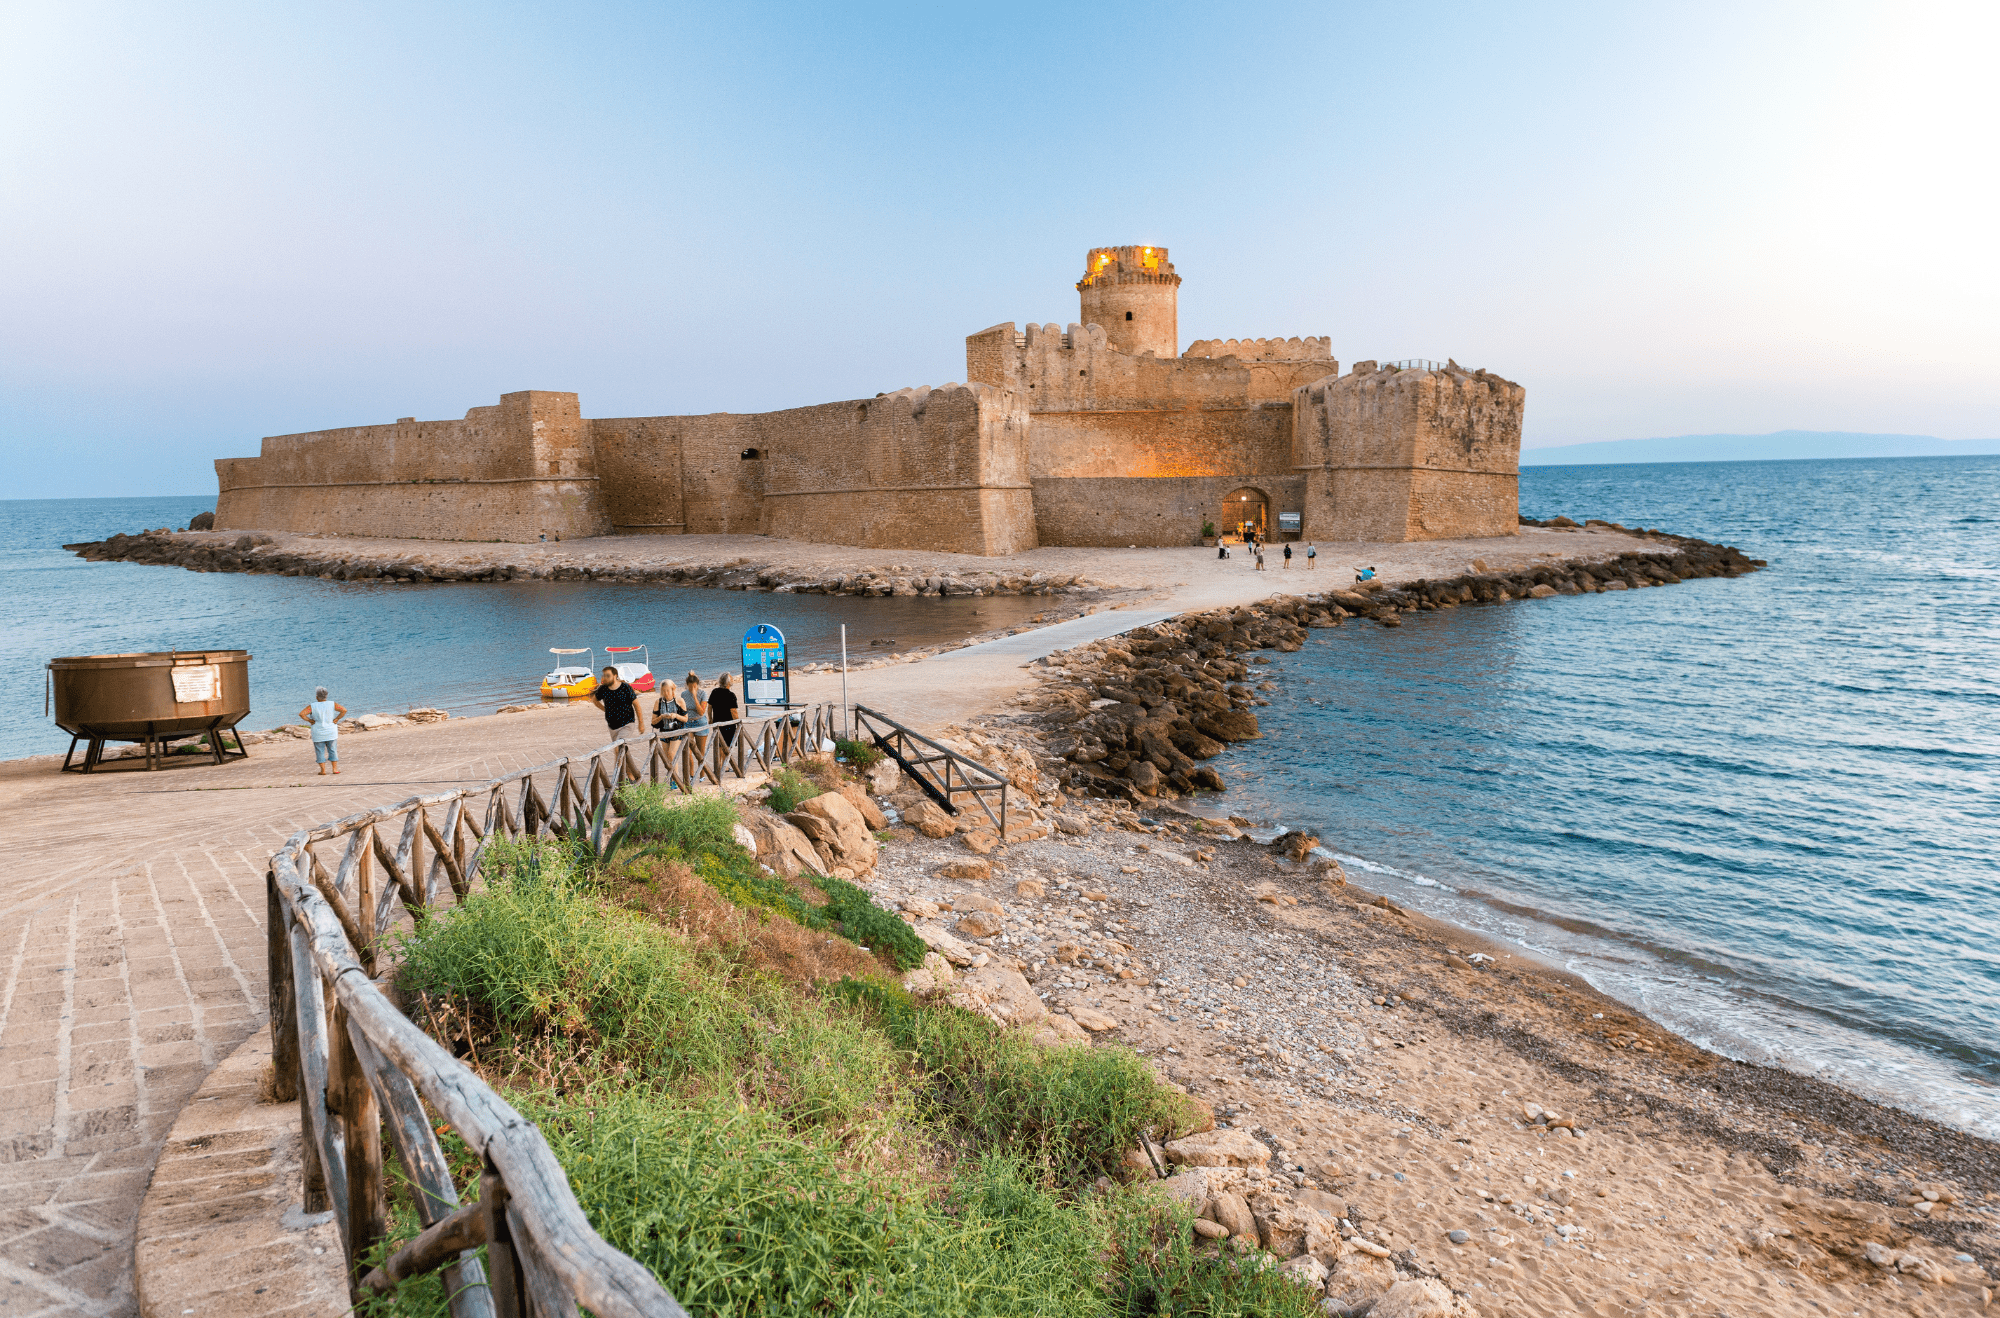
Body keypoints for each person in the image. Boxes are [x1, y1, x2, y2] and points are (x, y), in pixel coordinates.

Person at [299, 687, 347, 776]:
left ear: (317, 697)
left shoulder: (312, 706)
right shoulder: (332, 704)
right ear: (326, 696)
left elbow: (302, 714)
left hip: (318, 732)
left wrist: (310, 720)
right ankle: (335, 769)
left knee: (319, 751)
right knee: (332, 750)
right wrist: (337, 719)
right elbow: (344, 710)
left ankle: (323, 770)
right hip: (331, 731)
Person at [592, 665, 642, 741]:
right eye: (604, 675)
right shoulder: (603, 689)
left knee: (619, 744)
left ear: (615, 676)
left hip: (627, 723)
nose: (605, 678)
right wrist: (605, 709)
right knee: (619, 750)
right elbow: (595, 700)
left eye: (608, 676)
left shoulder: (626, 688)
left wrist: (641, 723)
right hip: (612, 726)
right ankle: (626, 753)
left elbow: (636, 705)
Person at [707, 672, 740, 750]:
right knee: (726, 747)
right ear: (729, 682)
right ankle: (723, 762)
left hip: (717, 722)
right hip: (729, 724)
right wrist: (738, 722)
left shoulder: (714, 692)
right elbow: (733, 712)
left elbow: (709, 707)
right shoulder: (731, 695)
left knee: (719, 746)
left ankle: (721, 762)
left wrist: (710, 719)